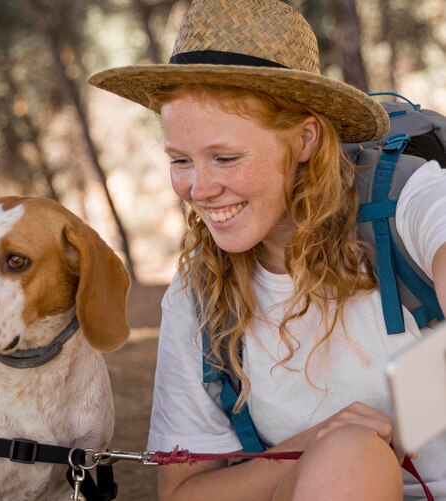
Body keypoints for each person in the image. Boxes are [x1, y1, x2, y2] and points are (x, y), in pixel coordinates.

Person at [90, 0, 446, 499]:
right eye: (180, 160)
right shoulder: (198, 293)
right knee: (349, 456)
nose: (199, 189)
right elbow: (182, 492)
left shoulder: (407, 199)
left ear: (304, 139)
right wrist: (314, 444)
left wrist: (416, 401)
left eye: (226, 157)